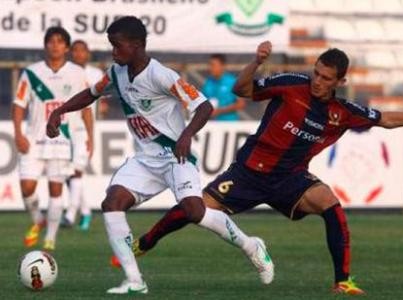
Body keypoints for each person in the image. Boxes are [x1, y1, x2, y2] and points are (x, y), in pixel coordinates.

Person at [119, 41, 403, 295]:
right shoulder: (291, 85)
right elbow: (242, 90)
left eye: (326, 78)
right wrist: (256, 61)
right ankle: (144, 244)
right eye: (316, 73)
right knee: (191, 209)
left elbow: (386, 119)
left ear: (339, 81)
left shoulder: (343, 113)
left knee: (331, 204)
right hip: (247, 173)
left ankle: (342, 281)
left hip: (291, 180)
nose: (317, 81)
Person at [46, 16, 274, 294]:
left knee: (195, 212)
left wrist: (187, 135)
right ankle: (134, 281)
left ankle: (251, 246)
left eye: (117, 46)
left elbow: (203, 107)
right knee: (112, 202)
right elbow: (91, 94)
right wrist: (60, 111)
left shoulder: (161, 75)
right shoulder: (116, 73)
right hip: (145, 160)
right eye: (111, 46)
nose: (113, 52)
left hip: (176, 156)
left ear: (138, 46)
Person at [12, 26, 91, 251]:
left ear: (66, 47)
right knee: (27, 187)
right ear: (45, 45)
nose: (55, 45)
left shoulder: (77, 73)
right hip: (34, 139)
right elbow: (19, 105)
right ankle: (38, 220)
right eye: (51, 41)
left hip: (62, 141)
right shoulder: (31, 73)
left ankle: (51, 238)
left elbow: (86, 108)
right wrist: (18, 133)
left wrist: (90, 138)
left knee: (56, 190)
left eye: (60, 41)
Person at [60, 40, 102, 231]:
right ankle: (85, 212)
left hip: (85, 128)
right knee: (68, 173)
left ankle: (70, 215)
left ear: (88, 53)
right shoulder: (65, 72)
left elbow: (102, 100)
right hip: (66, 127)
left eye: (82, 50)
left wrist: (92, 136)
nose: (78, 54)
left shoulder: (96, 74)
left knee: (76, 170)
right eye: (75, 50)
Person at [202, 54, 245, 120]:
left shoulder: (232, 82)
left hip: (229, 123)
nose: (210, 68)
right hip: (211, 124)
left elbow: (241, 104)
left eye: (213, 65)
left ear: (222, 66)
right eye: (209, 65)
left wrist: (220, 110)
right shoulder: (208, 82)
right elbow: (202, 101)